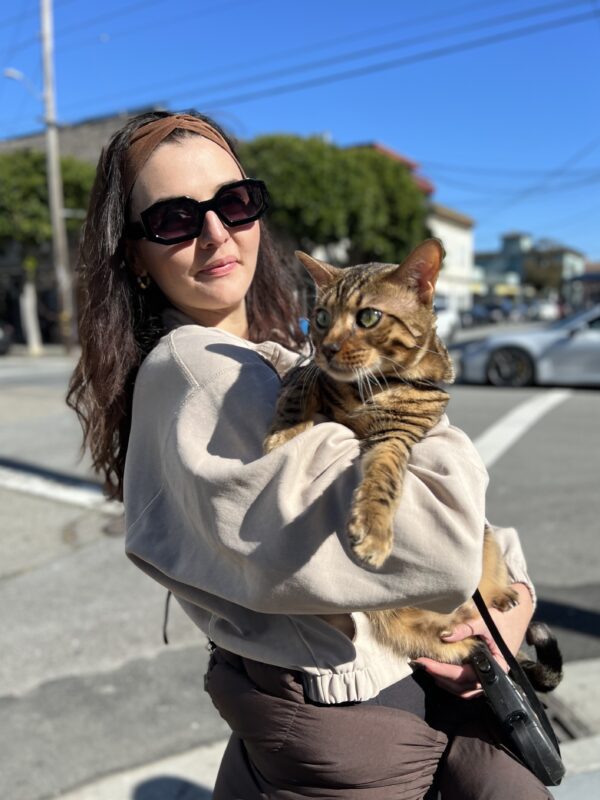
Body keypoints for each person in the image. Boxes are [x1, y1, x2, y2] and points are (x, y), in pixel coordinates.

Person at [68, 109, 552, 799]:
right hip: (363, 724)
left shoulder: (269, 354)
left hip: (365, 699)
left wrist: (515, 588)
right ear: (136, 255)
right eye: (175, 219)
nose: (216, 232)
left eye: (234, 203)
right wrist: (418, 405)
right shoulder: (202, 368)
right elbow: (438, 544)